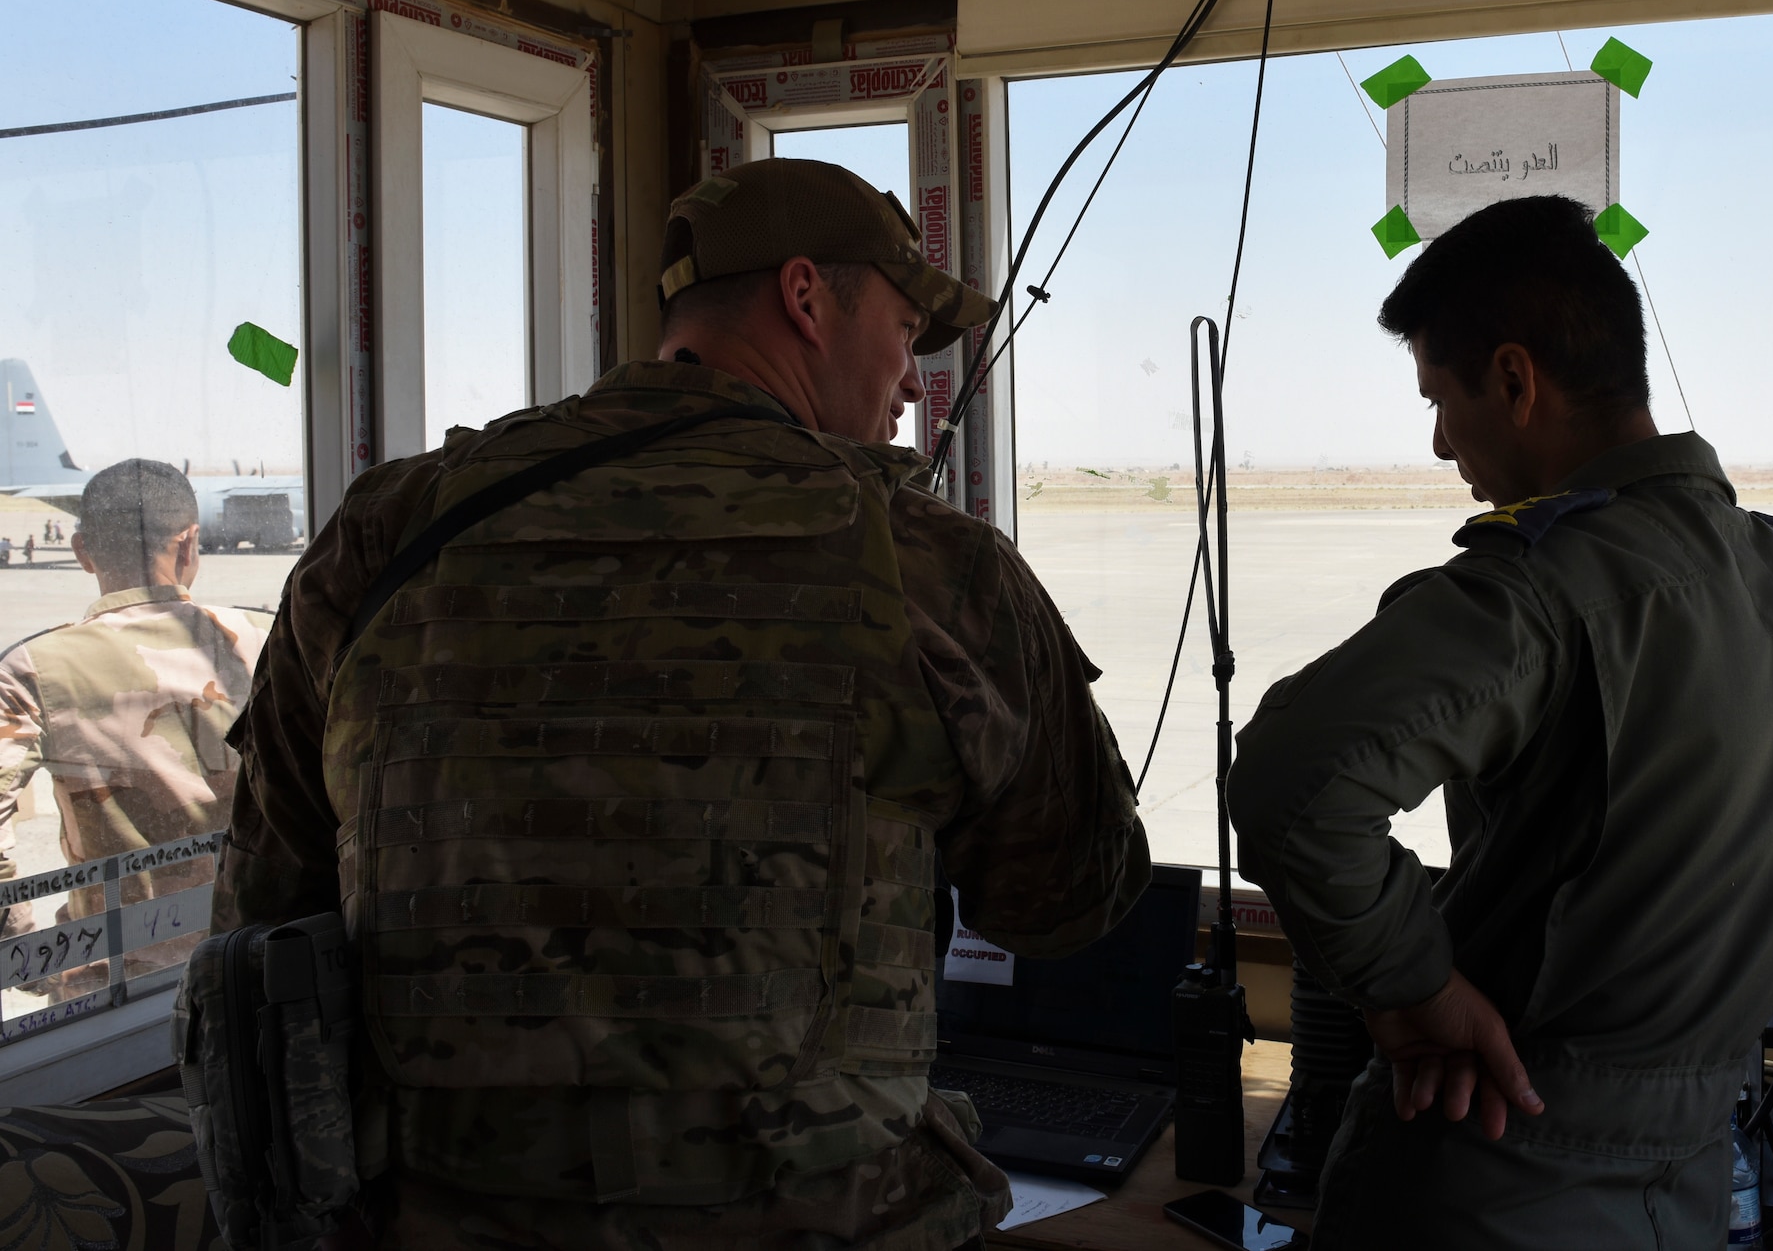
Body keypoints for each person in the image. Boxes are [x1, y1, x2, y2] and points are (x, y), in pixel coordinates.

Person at [214, 157, 1150, 1250]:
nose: (912, 382)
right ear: (806, 298)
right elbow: (1068, 899)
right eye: (903, 331)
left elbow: (266, 902)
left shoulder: (386, 529)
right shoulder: (932, 564)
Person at [1227, 195, 1773, 1248]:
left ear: (1512, 379)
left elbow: (1290, 787)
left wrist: (1414, 993)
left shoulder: (1536, 591)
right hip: (1684, 1189)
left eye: (1439, 400)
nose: (1441, 441)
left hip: (1487, 1158)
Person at [0, 460, 273, 986]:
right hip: (259, 961)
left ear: (82, 552)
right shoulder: (268, 641)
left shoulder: (33, 670)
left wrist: (20, 948)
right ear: (189, 544)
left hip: (117, 975)